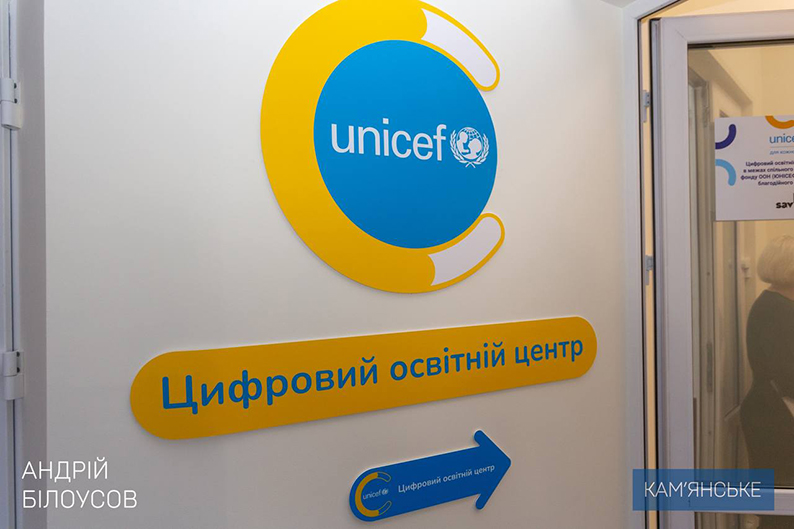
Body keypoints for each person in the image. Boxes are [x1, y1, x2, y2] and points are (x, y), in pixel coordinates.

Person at [741, 235, 794, 529]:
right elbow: (788, 374)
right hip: (774, 417)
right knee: (780, 507)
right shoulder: (775, 309)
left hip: (773, 411)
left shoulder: (777, 304)